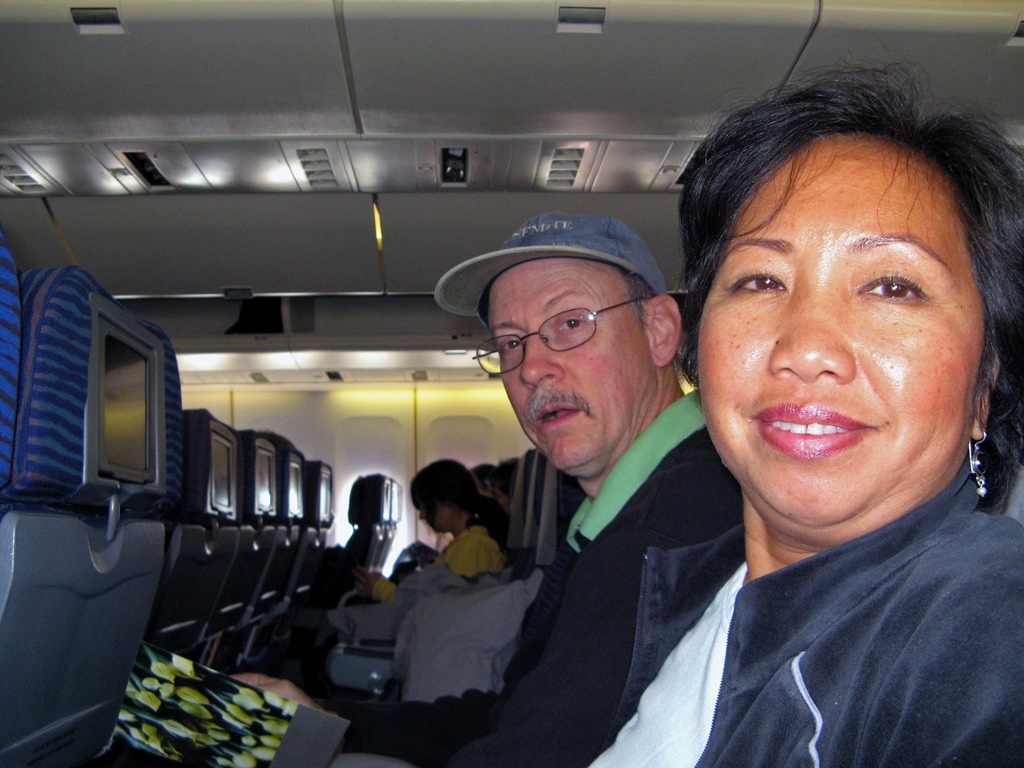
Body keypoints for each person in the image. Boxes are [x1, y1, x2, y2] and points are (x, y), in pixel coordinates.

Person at [586, 66, 1024, 767]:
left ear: (984, 390)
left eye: (892, 286)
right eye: (760, 281)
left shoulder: (985, 623)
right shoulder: (707, 592)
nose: (807, 348)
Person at [240, 212, 743, 767]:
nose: (531, 369)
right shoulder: (626, 514)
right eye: (509, 344)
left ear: (660, 332)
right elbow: (514, 718)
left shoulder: (672, 527)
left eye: (571, 324)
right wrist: (329, 722)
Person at [353, 459, 507, 603]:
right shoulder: (466, 544)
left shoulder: (472, 548)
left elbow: (433, 608)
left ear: (448, 501)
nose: (422, 515)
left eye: (426, 506)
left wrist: (379, 588)